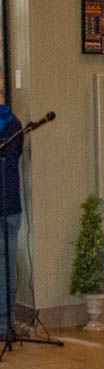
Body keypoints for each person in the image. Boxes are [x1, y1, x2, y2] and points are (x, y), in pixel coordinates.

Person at [0, 103, 23, 338]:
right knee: (6, 269)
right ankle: (6, 323)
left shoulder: (13, 126)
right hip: (12, 207)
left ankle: (4, 324)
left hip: (7, 207)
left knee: (5, 269)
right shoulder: (14, 124)